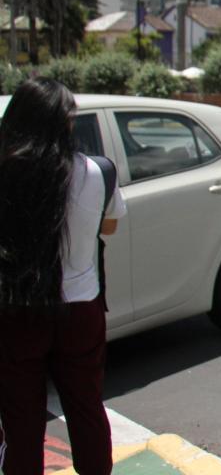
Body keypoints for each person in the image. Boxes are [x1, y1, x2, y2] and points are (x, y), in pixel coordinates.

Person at [0, 78, 127, 475]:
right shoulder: (97, 173)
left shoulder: (5, 173)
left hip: (16, 309)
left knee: (21, 421)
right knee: (86, 411)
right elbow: (109, 228)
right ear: (64, 123)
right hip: (81, 309)